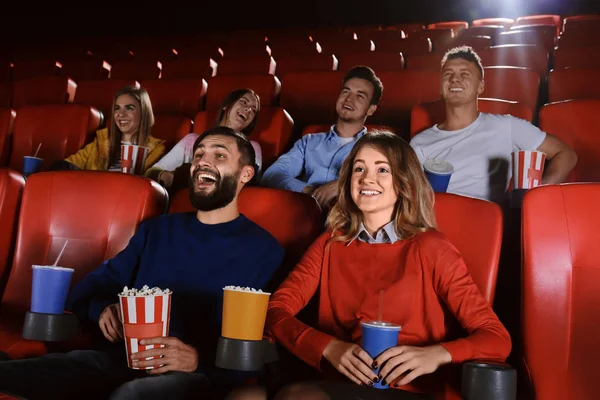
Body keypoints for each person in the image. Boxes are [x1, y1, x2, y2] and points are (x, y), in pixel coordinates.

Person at [0, 126, 284, 400]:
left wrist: (198, 360)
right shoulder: (158, 230)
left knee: (132, 395)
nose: (203, 163)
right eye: (198, 155)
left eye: (219, 155)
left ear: (245, 173)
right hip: (121, 358)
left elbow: (259, 347)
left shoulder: (265, 250)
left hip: (193, 374)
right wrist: (102, 310)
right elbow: (91, 288)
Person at [256, 131, 511, 399]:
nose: (367, 178)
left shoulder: (432, 247)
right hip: (342, 387)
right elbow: (277, 310)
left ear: (403, 183)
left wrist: (435, 355)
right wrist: (328, 347)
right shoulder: (330, 243)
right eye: (359, 168)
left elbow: (496, 338)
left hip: (416, 390)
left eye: (382, 169)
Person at [410, 46, 577, 204]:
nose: (455, 79)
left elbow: (566, 154)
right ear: (441, 86)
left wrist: (536, 196)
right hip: (436, 222)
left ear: (480, 86)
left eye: (465, 74)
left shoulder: (508, 126)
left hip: (487, 224)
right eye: (448, 74)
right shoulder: (420, 142)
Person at [261, 66, 383, 210]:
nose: (349, 99)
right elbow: (272, 175)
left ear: (371, 109)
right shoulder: (309, 141)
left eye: (360, 96)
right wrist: (310, 192)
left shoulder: (379, 148)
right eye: (346, 91)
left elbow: (387, 186)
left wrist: (343, 186)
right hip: (303, 212)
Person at [145, 89, 263, 191]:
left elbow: (247, 184)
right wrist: (166, 176)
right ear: (226, 106)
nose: (248, 110)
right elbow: (152, 172)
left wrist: (183, 174)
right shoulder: (192, 141)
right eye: (243, 102)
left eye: (253, 110)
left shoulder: (251, 148)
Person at [51, 86, 165, 173]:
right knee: (60, 167)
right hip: (93, 192)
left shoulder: (156, 149)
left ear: (143, 113)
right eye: (117, 108)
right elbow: (70, 164)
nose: (121, 114)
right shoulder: (102, 141)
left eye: (129, 108)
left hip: (127, 198)